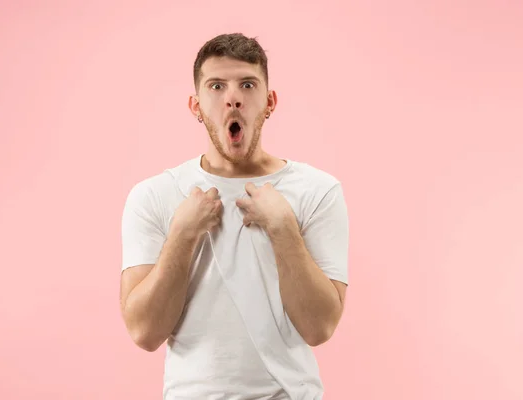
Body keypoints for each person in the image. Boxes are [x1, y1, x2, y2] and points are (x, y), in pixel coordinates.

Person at [119, 33, 350, 400]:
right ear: (195, 106)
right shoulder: (154, 196)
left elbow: (319, 327)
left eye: (247, 84)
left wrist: (284, 228)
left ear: (270, 101)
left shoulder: (317, 191)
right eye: (216, 86)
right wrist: (181, 235)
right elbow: (144, 333)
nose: (233, 97)